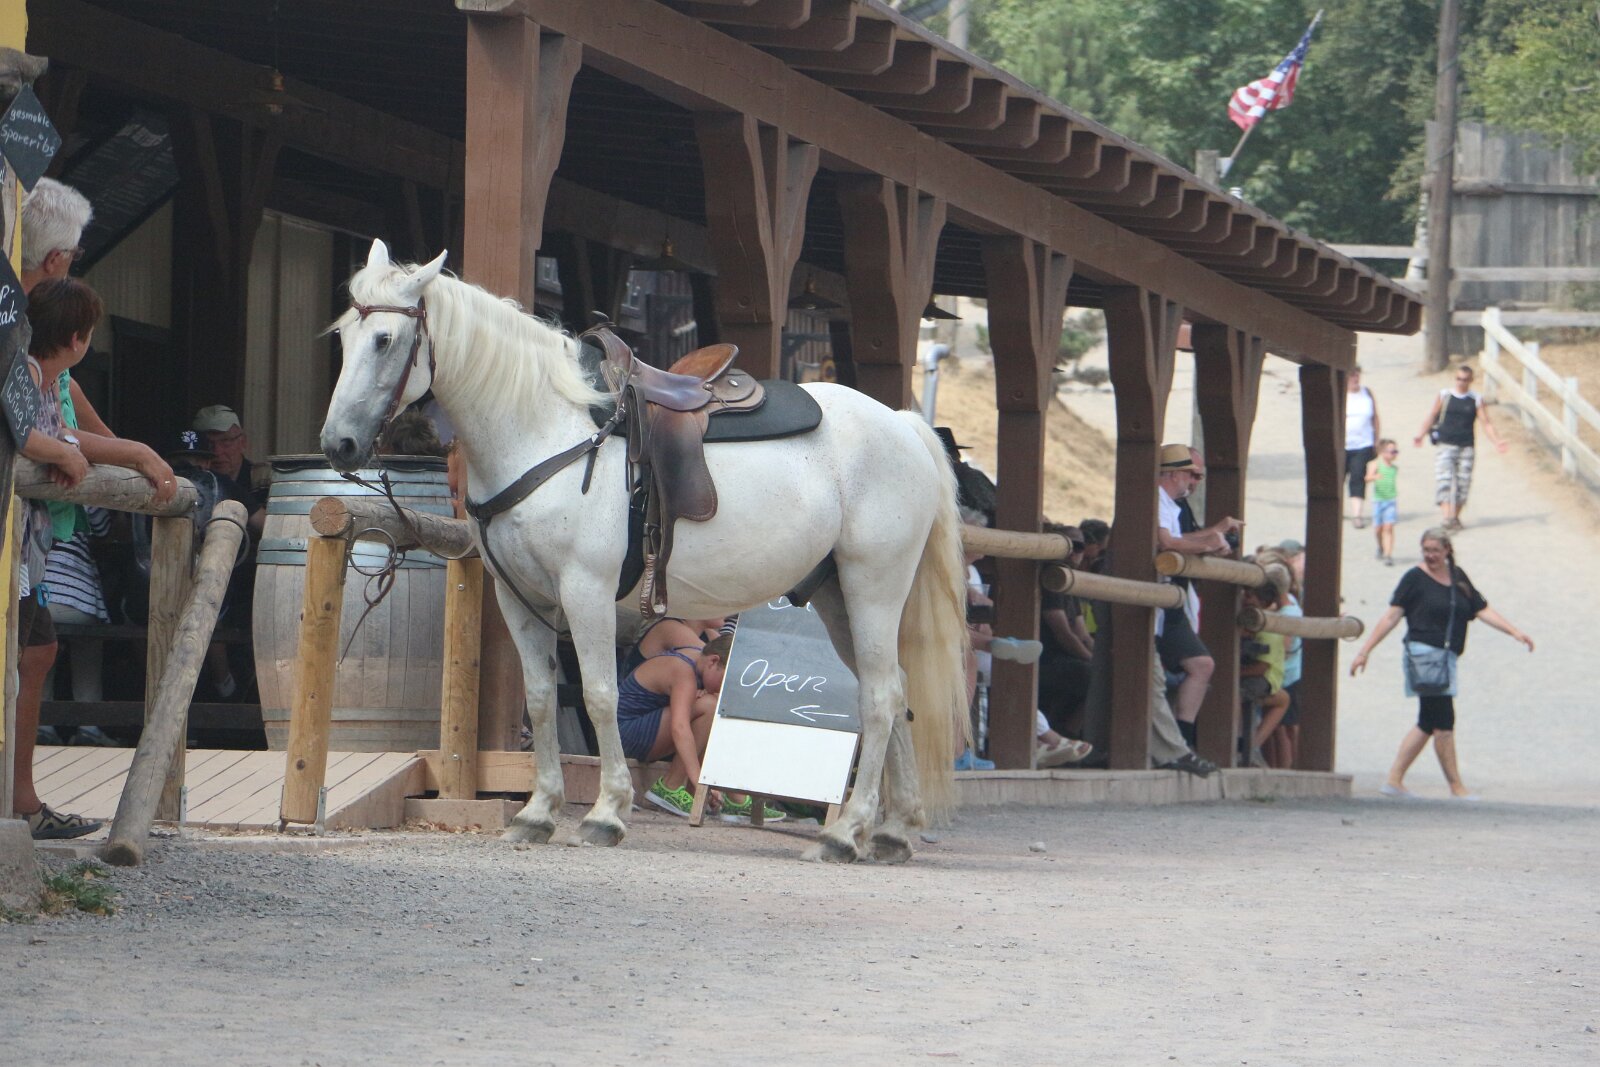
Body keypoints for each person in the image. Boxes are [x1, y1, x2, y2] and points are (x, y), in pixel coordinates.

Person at [1349, 527, 1533, 799]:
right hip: (1424, 656)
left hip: (1447, 658)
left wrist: (1514, 632)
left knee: (1427, 721)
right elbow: (1391, 616)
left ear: (1447, 550)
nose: (1430, 555)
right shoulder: (1414, 578)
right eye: (1426, 550)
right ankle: (1457, 787)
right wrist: (1365, 651)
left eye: (1435, 550)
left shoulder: (1458, 577)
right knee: (1444, 721)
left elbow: (1481, 609)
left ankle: (1394, 780)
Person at [10, 278, 99, 838]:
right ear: (75, 339)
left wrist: (67, 448)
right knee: (23, 655)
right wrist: (64, 454)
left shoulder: (43, 379)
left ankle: (22, 797)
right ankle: (18, 802)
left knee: (38, 650)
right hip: (12, 551)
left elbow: (56, 433)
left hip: (29, 549)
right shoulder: (22, 373)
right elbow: (19, 433)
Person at [1154, 443, 1242, 748]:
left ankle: (1183, 741)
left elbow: (1177, 539)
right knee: (1199, 665)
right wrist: (1208, 544)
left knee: (1200, 665)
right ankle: (1180, 744)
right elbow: (1167, 542)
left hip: (1170, 597)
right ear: (1175, 473)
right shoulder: (1158, 499)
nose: (1194, 482)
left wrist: (1212, 537)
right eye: (1192, 474)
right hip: (1158, 597)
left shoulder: (1172, 504)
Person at [1413, 364, 1506, 531]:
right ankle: (1446, 517)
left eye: (1465, 379)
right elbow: (1432, 415)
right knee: (1444, 481)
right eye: (1458, 379)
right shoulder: (1445, 395)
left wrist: (1497, 441)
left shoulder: (1475, 399)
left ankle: (1455, 517)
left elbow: (1486, 422)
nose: (1461, 382)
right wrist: (1420, 434)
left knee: (1463, 483)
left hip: (1466, 446)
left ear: (1471, 380)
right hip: (1446, 444)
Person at [1238, 579, 1291, 768]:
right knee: (1283, 699)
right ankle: (1252, 746)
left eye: (1249, 595)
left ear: (1263, 602)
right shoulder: (1264, 620)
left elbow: (1261, 668)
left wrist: (1234, 673)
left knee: (1239, 695)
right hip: (1269, 679)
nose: (1244, 598)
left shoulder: (1266, 627)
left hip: (1261, 679)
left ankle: (1248, 745)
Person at [193, 404, 267, 536]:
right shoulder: (192, 486)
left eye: (226, 442)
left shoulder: (264, 479)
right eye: (208, 445)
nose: (217, 452)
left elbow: (278, 530)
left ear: (243, 442)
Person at [1344, 366, 1380, 529]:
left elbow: (1375, 417)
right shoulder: (1342, 394)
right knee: (1338, 478)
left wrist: (1376, 440)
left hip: (1363, 444)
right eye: (1351, 375)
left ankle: (1357, 514)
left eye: (1357, 375)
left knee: (1358, 477)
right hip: (1343, 444)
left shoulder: (1367, 393)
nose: (1355, 378)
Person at [1365, 438, 1401, 566]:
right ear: (1382, 452)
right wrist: (1374, 476)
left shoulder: (1394, 468)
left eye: (1396, 452)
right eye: (1392, 452)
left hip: (1390, 500)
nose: (1394, 454)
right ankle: (1380, 546)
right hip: (1378, 500)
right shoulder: (1375, 464)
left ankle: (1388, 554)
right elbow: (1367, 478)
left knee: (1388, 527)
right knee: (1378, 529)